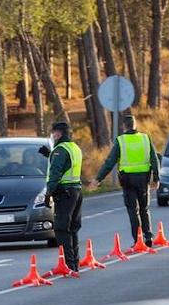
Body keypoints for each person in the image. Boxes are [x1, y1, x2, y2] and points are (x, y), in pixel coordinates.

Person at [89, 114, 160, 248]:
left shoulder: (121, 141)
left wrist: (98, 179)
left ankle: (138, 239)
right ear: (135, 125)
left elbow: (109, 162)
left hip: (128, 180)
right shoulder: (145, 138)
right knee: (144, 208)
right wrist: (156, 178)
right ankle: (148, 236)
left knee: (133, 210)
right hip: (143, 179)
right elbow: (154, 159)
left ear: (124, 127)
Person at [44, 121, 84, 271]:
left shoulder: (60, 149)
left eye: (53, 133)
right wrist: (49, 155)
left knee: (61, 229)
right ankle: (75, 263)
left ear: (58, 134)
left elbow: (56, 172)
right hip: (76, 191)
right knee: (73, 228)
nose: (53, 136)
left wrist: (48, 193)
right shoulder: (74, 148)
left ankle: (67, 264)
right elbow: (68, 165)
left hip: (64, 193)